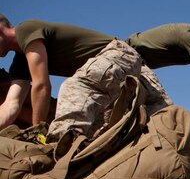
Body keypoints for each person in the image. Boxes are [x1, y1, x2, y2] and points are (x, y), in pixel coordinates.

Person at [0, 14, 169, 139]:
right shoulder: (20, 65)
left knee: (73, 88)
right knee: (103, 133)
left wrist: (38, 132)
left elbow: (41, 85)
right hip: (119, 75)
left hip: (119, 55)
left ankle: (59, 144)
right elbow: (11, 105)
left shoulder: (25, 30)